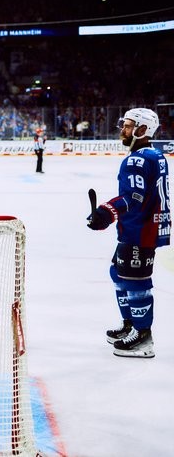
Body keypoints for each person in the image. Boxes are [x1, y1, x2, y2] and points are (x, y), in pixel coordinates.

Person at [87, 108, 170, 358]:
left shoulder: (138, 159)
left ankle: (143, 337)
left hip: (141, 229)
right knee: (118, 272)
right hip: (140, 227)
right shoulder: (154, 155)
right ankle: (131, 324)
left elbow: (134, 197)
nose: (123, 128)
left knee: (136, 283)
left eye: (128, 125)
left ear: (142, 130)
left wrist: (106, 212)